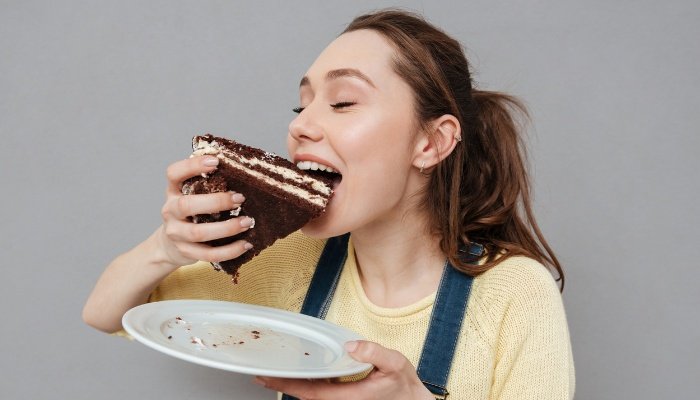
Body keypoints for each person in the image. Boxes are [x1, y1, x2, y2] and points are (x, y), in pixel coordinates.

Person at [83, 9, 574, 400]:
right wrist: (166, 248)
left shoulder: (514, 294)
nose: (300, 127)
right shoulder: (295, 262)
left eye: (342, 102)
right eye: (302, 105)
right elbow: (106, 313)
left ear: (431, 143)